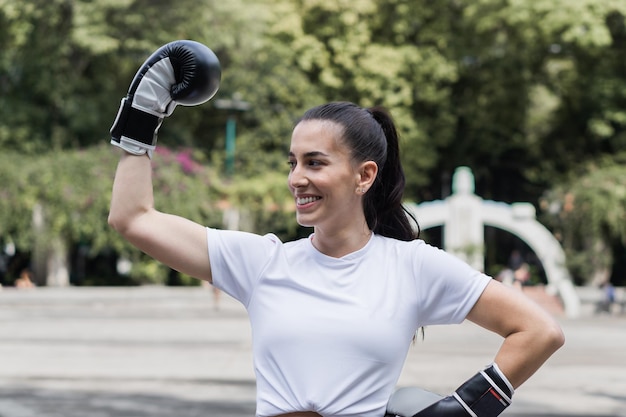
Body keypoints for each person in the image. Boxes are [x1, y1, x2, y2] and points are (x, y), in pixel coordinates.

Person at [107, 41, 564, 417]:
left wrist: (466, 407)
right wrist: (141, 118)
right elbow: (134, 218)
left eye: (315, 163)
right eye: (293, 163)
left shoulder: (412, 265)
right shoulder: (263, 261)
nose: (296, 178)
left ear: (364, 176)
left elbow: (539, 331)